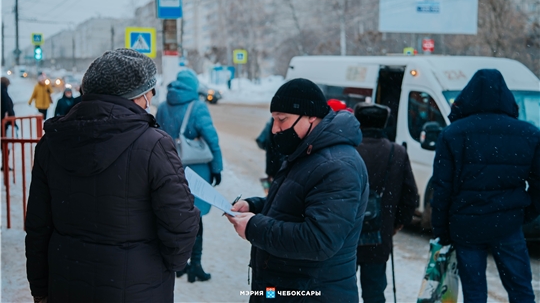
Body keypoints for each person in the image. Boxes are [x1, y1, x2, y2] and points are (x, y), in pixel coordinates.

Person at [25, 49, 200, 303]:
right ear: (136, 96)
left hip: (66, 285)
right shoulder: (154, 144)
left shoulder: (51, 143)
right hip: (138, 289)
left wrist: (40, 289)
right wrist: (164, 265)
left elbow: (38, 227)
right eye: (150, 90)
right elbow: (181, 225)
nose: (152, 97)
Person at [227, 78, 369, 302]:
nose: (275, 129)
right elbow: (295, 202)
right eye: (273, 120)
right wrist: (254, 205)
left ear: (311, 116)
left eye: (282, 120)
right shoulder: (307, 151)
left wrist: (255, 227)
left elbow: (318, 240)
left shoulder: (337, 165)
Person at [431, 69, 540, 303]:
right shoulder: (529, 134)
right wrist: (526, 213)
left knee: (474, 291)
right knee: (520, 288)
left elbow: (442, 188)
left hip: (466, 224)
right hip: (508, 223)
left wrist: (442, 230)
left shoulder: (452, 135)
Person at [156, 69, 223, 283]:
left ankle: (180, 264)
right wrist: (217, 167)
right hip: (196, 171)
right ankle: (196, 266)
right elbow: (211, 139)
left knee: (176, 216)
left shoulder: (164, 106)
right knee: (196, 219)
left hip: (169, 168)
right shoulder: (198, 106)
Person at [354, 102, 418, 303]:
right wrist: (396, 223)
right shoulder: (397, 152)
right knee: (374, 292)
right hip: (379, 235)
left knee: (341, 289)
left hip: (347, 233)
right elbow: (410, 195)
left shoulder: (349, 149)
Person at [255, 117, 286, 195]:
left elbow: (262, 141)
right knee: (279, 193)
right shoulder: (282, 122)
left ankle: (268, 199)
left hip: (272, 161)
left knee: (271, 192)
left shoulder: (273, 121)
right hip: (279, 163)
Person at [1, 77, 15, 171]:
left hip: (5, 123)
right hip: (4, 124)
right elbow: (6, 107)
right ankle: (5, 165)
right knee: (5, 145)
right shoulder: (3, 92)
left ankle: (4, 165)